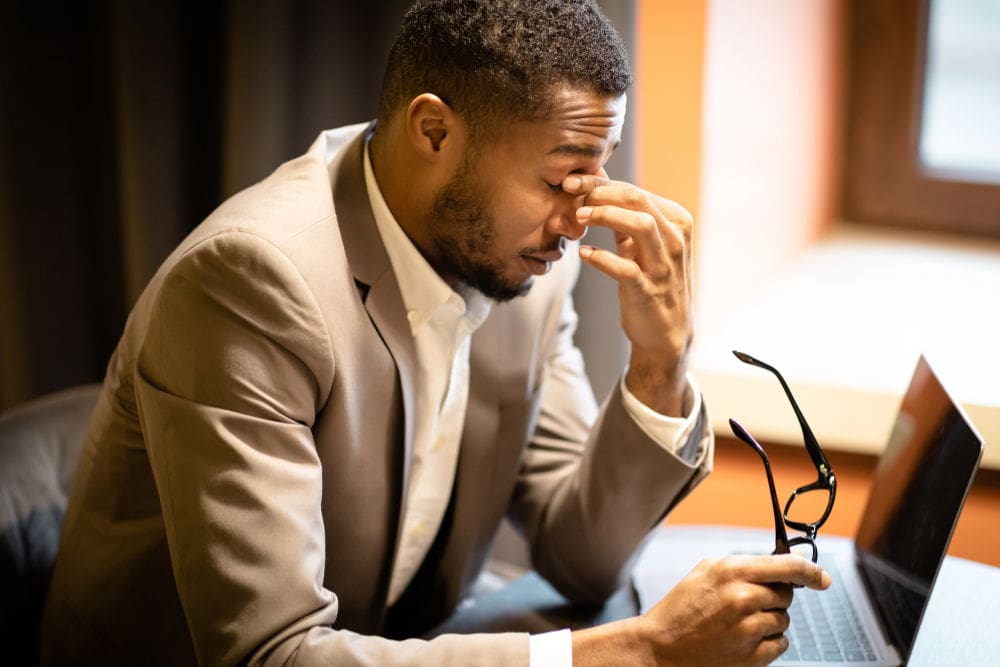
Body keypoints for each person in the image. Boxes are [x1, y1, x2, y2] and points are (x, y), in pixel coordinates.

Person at [42, 1, 829, 665]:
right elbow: (275, 651)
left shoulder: (521, 264)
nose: (579, 219)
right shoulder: (252, 283)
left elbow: (578, 552)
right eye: (562, 178)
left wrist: (661, 365)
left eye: (599, 172)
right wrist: (641, 649)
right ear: (433, 133)